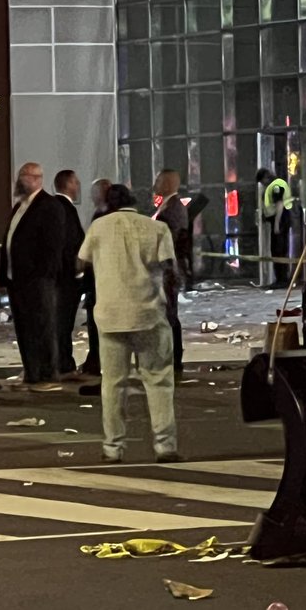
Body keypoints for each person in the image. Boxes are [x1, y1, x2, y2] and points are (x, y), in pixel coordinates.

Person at [78, 184, 179, 463]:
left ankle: (113, 447)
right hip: (148, 314)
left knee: (112, 385)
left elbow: (82, 261)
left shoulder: (98, 228)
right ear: (135, 202)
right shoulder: (156, 228)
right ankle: (165, 445)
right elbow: (169, 267)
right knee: (158, 380)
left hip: (110, 315)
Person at [0, 161, 65, 392]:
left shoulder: (49, 206)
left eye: (24, 176)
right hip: (16, 279)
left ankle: (48, 372)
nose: (20, 180)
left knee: (43, 325)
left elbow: (53, 245)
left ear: (37, 178)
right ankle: (32, 372)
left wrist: (43, 273)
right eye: (20, 175)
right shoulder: (20, 206)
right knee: (24, 327)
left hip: (37, 279)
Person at [152, 169, 188, 382]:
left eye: (158, 179)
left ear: (167, 182)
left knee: (169, 315)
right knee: (168, 313)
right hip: (170, 269)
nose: (154, 183)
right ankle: (172, 358)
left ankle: (174, 359)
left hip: (168, 270)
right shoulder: (168, 205)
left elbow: (169, 241)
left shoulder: (173, 209)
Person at [53, 169, 85, 380]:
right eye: (76, 182)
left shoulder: (54, 208)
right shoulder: (65, 209)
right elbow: (71, 243)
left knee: (60, 322)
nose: (79, 186)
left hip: (59, 276)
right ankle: (64, 363)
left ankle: (62, 361)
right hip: (66, 278)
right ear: (69, 184)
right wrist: (77, 270)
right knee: (63, 322)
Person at [79, 177, 112, 379]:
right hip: (98, 280)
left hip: (101, 280)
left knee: (97, 323)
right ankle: (95, 358)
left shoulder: (103, 217)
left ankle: (96, 360)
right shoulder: (101, 214)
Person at [257, 167, 294, 286]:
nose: (262, 184)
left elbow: (279, 205)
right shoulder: (274, 185)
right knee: (277, 249)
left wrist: (277, 224)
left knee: (279, 250)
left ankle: (282, 279)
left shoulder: (276, 186)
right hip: (279, 220)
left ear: (266, 178)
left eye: (262, 181)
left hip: (281, 220)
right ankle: (281, 278)